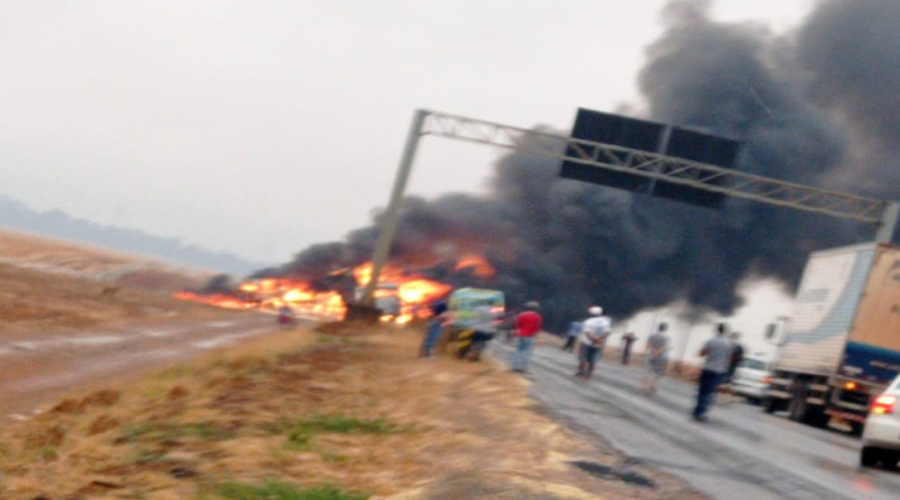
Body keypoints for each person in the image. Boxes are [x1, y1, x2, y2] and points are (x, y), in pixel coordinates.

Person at [692, 323, 735, 422]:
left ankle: (699, 410)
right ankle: (702, 411)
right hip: (719, 371)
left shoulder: (710, 341)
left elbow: (702, 353)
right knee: (710, 392)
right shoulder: (729, 344)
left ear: (717, 330)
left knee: (703, 391)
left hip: (708, 369)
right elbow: (730, 358)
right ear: (725, 331)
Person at [576, 306, 611, 380]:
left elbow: (587, 332)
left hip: (587, 342)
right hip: (599, 344)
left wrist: (593, 340)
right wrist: (599, 340)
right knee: (593, 360)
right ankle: (589, 374)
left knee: (583, 358)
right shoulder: (606, 322)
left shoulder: (588, 321)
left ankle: (581, 373)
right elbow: (607, 332)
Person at [511, 301, 543, 372]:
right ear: (536, 308)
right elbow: (537, 328)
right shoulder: (538, 316)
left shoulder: (521, 315)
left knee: (519, 350)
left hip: (521, 335)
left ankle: (516, 366)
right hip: (530, 336)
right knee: (527, 352)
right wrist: (538, 338)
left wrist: (515, 333)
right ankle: (523, 367)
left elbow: (517, 325)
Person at [641, 323, 671, 396]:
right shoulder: (667, 337)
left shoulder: (652, 336)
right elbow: (666, 347)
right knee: (657, 372)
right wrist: (658, 352)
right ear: (666, 329)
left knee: (647, 371)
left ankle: (645, 386)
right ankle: (653, 386)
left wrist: (653, 351)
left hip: (650, 355)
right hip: (660, 356)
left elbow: (648, 345)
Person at [719, 331, 746, 404]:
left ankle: (723, 397)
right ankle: (725, 398)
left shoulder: (727, 345)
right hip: (731, 367)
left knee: (724, 382)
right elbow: (741, 358)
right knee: (728, 382)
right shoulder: (739, 347)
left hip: (725, 366)